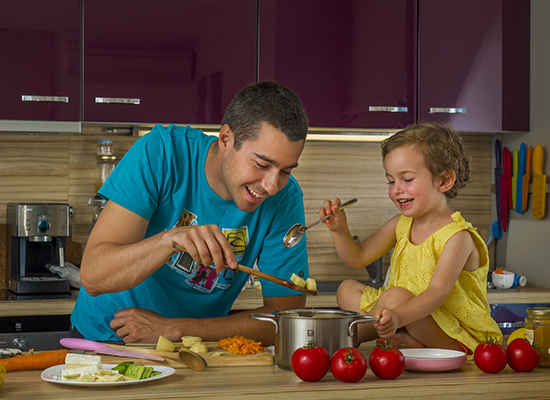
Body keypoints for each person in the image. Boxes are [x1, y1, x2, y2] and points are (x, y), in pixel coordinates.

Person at [71, 81, 310, 344]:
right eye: (262, 164)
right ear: (226, 139)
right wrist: (169, 240)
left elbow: (285, 318)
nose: (272, 186)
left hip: (194, 348)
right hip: (104, 339)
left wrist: (174, 329)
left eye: (286, 171)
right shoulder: (161, 152)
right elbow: (93, 276)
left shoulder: (285, 199)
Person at [320, 122, 501, 354]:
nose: (396, 189)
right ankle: (402, 336)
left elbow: (436, 293)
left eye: (406, 179)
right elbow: (357, 258)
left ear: (444, 180)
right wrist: (339, 231)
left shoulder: (458, 237)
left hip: (453, 335)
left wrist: (396, 316)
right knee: (346, 289)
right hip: (403, 313)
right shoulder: (400, 224)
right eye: (391, 180)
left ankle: (345, 336)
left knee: (394, 297)